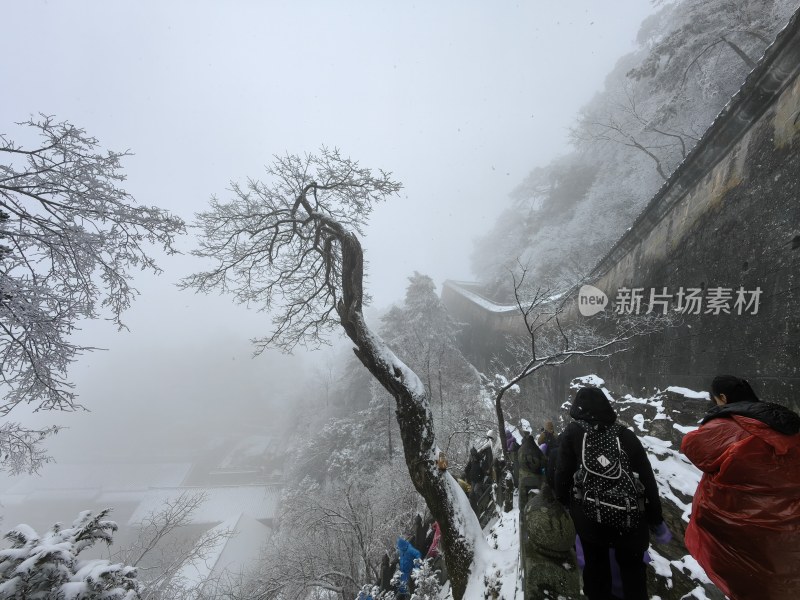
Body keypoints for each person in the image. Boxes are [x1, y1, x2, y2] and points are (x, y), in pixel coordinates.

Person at [681, 375, 800, 600]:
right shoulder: (784, 422)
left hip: (744, 528)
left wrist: (714, 418)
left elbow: (692, 446)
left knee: (749, 582)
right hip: (787, 528)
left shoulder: (728, 426)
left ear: (723, 398)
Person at [554, 386, 666, 600]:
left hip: (591, 520)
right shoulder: (626, 436)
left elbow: (562, 473)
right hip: (630, 521)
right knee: (633, 577)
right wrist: (655, 517)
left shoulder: (574, 432)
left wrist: (562, 502)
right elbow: (647, 479)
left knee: (596, 572)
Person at [518, 425, 544, 518]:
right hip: (538, 477)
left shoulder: (521, 450)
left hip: (525, 477)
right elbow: (544, 461)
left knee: (523, 497)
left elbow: (519, 463)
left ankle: (522, 513)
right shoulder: (537, 450)